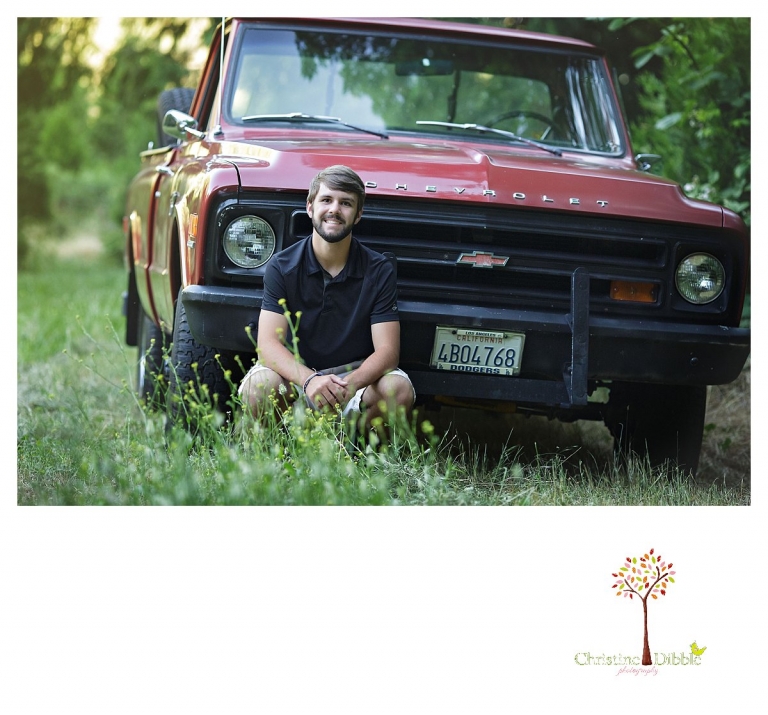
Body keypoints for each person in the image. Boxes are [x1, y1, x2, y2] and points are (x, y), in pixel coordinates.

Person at [238, 165, 415, 429]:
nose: (334, 209)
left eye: (346, 203)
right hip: (296, 377)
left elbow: (388, 352)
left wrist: (350, 385)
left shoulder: (379, 270)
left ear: (358, 215)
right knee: (259, 387)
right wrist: (310, 380)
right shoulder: (281, 266)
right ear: (310, 208)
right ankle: (281, 449)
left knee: (398, 389)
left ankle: (353, 448)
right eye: (326, 200)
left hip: (354, 381)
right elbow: (267, 344)